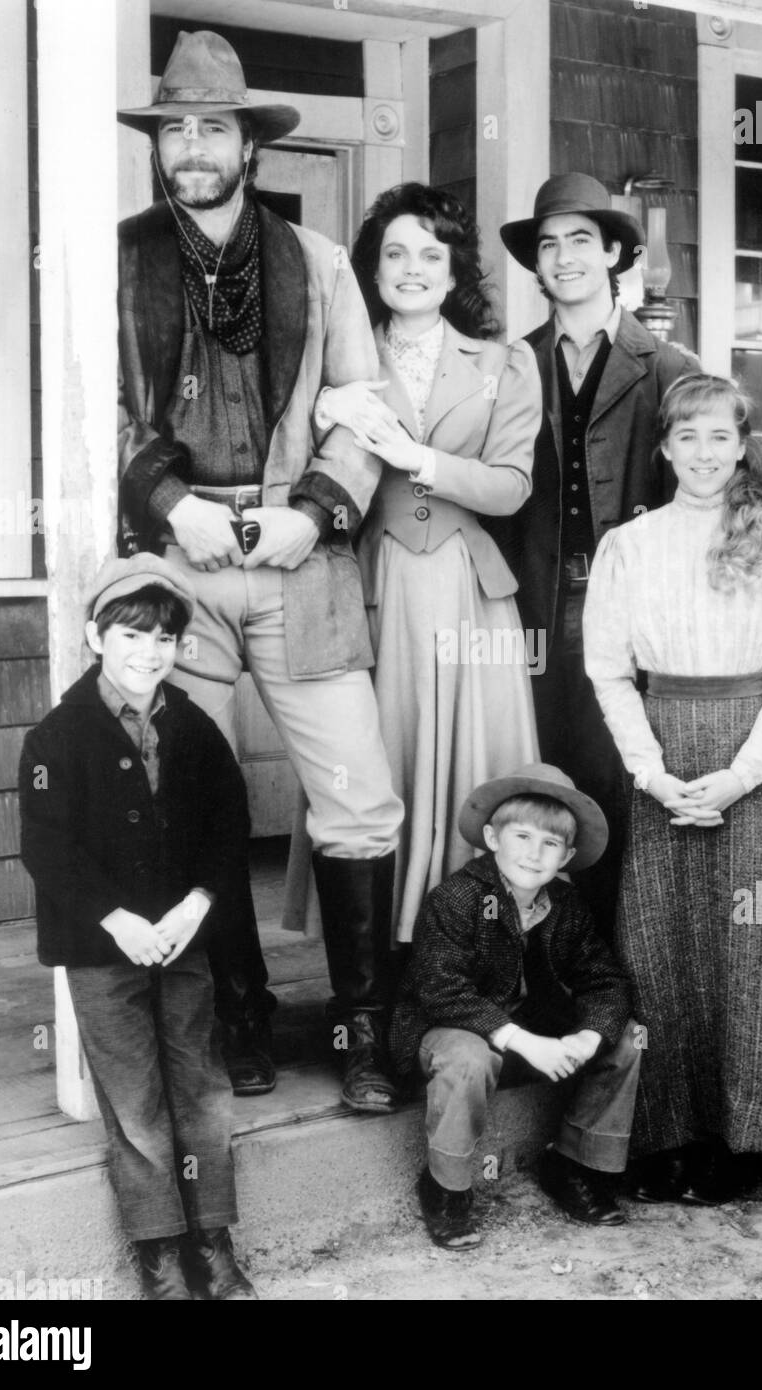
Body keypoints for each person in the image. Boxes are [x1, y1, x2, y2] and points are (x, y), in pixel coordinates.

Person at [116, 30, 404, 1111]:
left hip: (297, 555)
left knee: (356, 795)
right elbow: (96, 412)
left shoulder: (317, 263)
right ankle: (237, 1012)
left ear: (248, 143)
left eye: (213, 128)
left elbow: (362, 412)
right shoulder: (123, 257)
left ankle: (362, 1027)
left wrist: (318, 509)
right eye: (175, 128)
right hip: (175, 562)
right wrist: (172, 503)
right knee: (188, 794)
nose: (192, 146)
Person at [584, 373, 762, 1205]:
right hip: (664, 758)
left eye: (720, 437)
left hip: (754, 760)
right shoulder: (628, 547)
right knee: (662, 949)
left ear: (742, 445)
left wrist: (744, 773)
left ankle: (759, 1139)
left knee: (755, 947)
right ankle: (670, 1135)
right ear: (665, 446)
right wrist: (652, 771)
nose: (703, 454)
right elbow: (607, 670)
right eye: (687, 436)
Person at [285, 183, 542, 943]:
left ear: (457, 272)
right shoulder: (338, 355)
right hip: (371, 579)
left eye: (432, 254)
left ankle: (469, 945)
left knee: (473, 764)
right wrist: (322, 409)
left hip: (469, 587)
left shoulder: (505, 364)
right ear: (374, 269)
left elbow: (513, 486)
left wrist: (418, 457)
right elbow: (296, 457)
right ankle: (378, 965)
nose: (412, 268)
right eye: (395, 253)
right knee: (369, 755)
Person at [18, 555, 256, 1300]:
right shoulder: (57, 738)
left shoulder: (193, 727)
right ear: (96, 636)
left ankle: (211, 1240)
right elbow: (47, 847)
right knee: (134, 1100)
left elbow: (228, 826)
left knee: (199, 1085)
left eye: (163, 639)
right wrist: (118, 919)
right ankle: (158, 1250)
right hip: (103, 947)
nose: (148, 653)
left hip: (181, 942)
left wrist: (194, 906)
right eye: (130, 635)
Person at [492, 174, 700, 939]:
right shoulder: (513, 365)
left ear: (615, 252)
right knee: (548, 783)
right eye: (548, 244)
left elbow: (705, 500)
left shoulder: (668, 366)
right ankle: (552, 960)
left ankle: (624, 972)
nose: (563, 256)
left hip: (631, 616)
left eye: (581, 239)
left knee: (624, 784)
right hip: (537, 608)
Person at [389, 764, 642, 1249]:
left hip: (528, 1033)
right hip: (450, 1028)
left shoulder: (565, 905)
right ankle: (447, 1187)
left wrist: (588, 1037)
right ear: (491, 837)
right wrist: (526, 1043)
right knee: (467, 1058)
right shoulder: (457, 898)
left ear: (567, 854)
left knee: (627, 1036)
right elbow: (443, 992)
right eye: (521, 836)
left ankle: (572, 1164)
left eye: (550, 844)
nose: (533, 853)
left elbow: (604, 980)